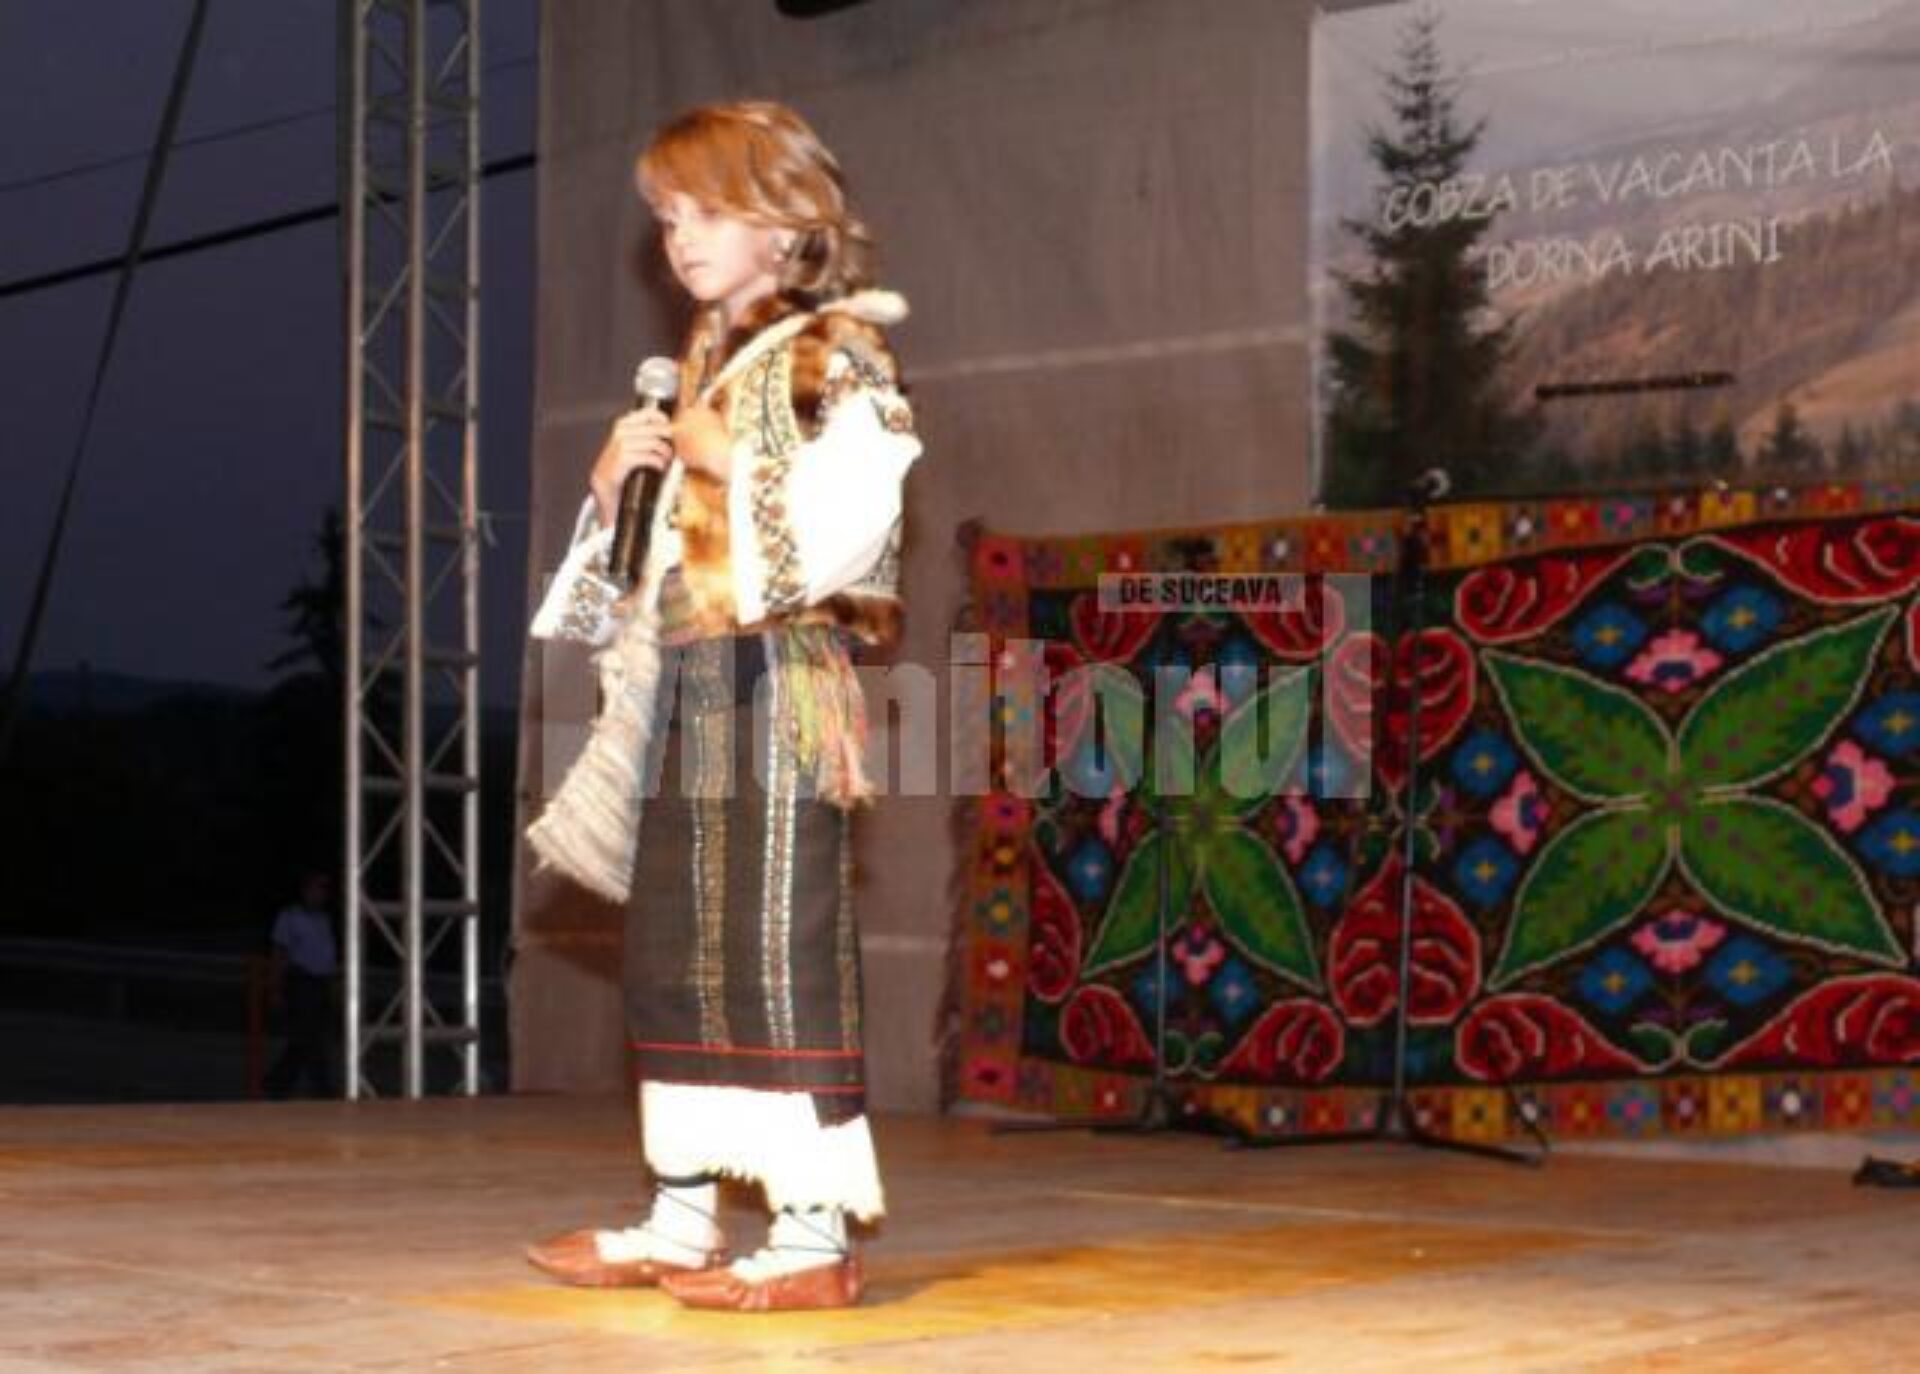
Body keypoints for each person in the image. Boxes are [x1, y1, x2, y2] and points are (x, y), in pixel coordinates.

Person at [522, 101, 921, 1313]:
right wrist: (614, 496)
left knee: (772, 940)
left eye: (703, 212)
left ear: (786, 223)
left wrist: (724, 459)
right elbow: (635, 586)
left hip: (774, 676)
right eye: (666, 219)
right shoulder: (704, 368)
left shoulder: (835, 351)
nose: (679, 239)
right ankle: (682, 1216)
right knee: (673, 951)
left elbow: (862, 517)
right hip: (683, 680)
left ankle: (812, 1235)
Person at [264, 869, 338, 1098]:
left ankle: (277, 1084)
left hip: (320, 983)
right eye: (317, 888)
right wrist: (275, 989)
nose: (322, 894)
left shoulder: (324, 919)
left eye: (324, 889)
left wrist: (332, 985)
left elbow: (327, 956)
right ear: (306, 890)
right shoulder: (290, 917)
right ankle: (322, 1089)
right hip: (301, 981)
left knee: (305, 1038)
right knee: (310, 1037)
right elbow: (279, 953)